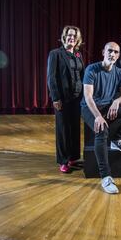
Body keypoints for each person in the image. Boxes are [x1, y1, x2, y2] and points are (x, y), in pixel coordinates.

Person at [81, 42, 121, 194]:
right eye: (110, 51)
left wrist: (116, 101)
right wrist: (98, 117)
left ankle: (118, 139)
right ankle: (106, 177)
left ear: (118, 55)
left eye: (115, 52)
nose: (112, 54)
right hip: (90, 107)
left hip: (108, 105)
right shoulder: (92, 69)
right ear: (103, 52)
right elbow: (88, 96)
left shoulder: (119, 72)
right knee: (101, 130)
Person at [47, 26, 84, 173]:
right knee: (63, 129)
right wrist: (55, 98)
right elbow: (51, 78)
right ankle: (63, 161)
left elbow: (82, 74)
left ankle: (72, 157)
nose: (72, 38)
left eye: (74, 36)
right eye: (69, 35)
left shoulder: (78, 55)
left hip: (77, 98)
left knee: (74, 128)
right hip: (62, 98)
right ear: (64, 37)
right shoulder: (55, 54)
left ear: (77, 39)